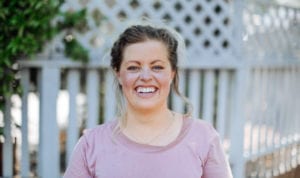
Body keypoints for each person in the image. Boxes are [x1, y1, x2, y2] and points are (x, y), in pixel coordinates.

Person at [64, 23, 233, 178]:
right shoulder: (91, 145)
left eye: (157, 67)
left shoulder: (203, 138)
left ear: (172, 73)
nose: (145, 76)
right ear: (118, 73)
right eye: (133, 67)